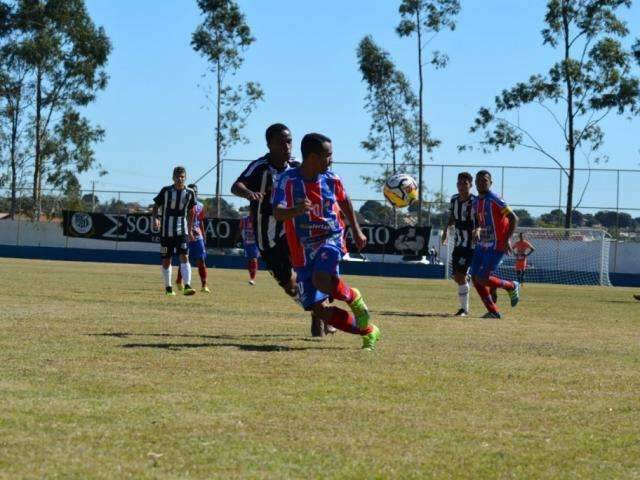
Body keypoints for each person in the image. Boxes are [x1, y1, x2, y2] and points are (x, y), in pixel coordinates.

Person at [273, 133, 381, 350]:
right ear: (312, 157)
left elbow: (345, 201)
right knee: (318, 309)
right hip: (301, 251)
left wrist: (357, 230)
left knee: (322, 279)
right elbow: (277, 212)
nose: (331, 160)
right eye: (328, 156)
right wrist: (295, 210)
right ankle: (368, 331)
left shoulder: (332, 179)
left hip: (330, 238)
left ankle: (354, 298)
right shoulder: (287, 180)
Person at [231, 123, 328, 337]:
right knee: (289, 285)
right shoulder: (260, 167)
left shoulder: (296, 167)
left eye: (289, 141)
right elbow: (236, 186)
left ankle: (322, 313)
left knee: (310, 273)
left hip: (295, 229)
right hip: (267, 237)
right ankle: (316, 310)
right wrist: (249, 193)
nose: (287, 146)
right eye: (281, 142)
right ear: (269, 144)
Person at [470, 170, 520, 318]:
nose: (481, 182)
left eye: (485, 180)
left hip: (497, 244)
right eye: (478, 180)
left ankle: (511, 285)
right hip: (482, 244)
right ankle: (493, 312)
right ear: (475, 183)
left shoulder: (495, 199)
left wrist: (506, 239)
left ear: (490, 183)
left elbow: (514, 218)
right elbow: (480, 221)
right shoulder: (476, 202)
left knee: (483, 278)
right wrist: (477, 230)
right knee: (475, 278)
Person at [152, 166, 197, 296]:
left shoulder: (189, 193)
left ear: (186, 178)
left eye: (182, 177)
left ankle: (187, 286)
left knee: (185, 256)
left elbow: (191, 212)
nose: (180, 179)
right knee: (166, 260)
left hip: (181, 231)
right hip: (166, 231)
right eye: (177, 177)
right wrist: (155, 219)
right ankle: (168, 288)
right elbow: (155, 207)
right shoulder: (166, 191)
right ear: (173, 177)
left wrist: (190, 230)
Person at [442, 172, 475, 316]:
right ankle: (467, 278)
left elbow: (481, 220)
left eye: (465, 184)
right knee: (457, 277)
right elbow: (452, 217)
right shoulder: (454, 199)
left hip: (472, 245)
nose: (461, 186)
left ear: (470, 185)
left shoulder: (476, 201)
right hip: (458, 243)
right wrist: (445, 231)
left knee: (460, 276)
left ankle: (464, 309)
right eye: (459, 183)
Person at [176, 184, 210, 293]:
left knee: (201, 260)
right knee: (185, 259)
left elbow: (200, 222)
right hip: (185, 235)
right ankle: (179, 281)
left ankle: (204, 285)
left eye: (195, 191)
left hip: (197, 235)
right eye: (191, 191)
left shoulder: (200, 205)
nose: (193, 193)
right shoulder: (182, 205)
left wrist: (203, 235)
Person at [240, 214, 259, 285]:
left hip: (255, 243)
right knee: (249, 260)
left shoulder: (257, 218)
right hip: (246, 243)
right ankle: (251, 277)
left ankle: (253, 279)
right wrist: (236, 239)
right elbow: (240, 228)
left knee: (254, 259)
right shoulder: (244, 219)